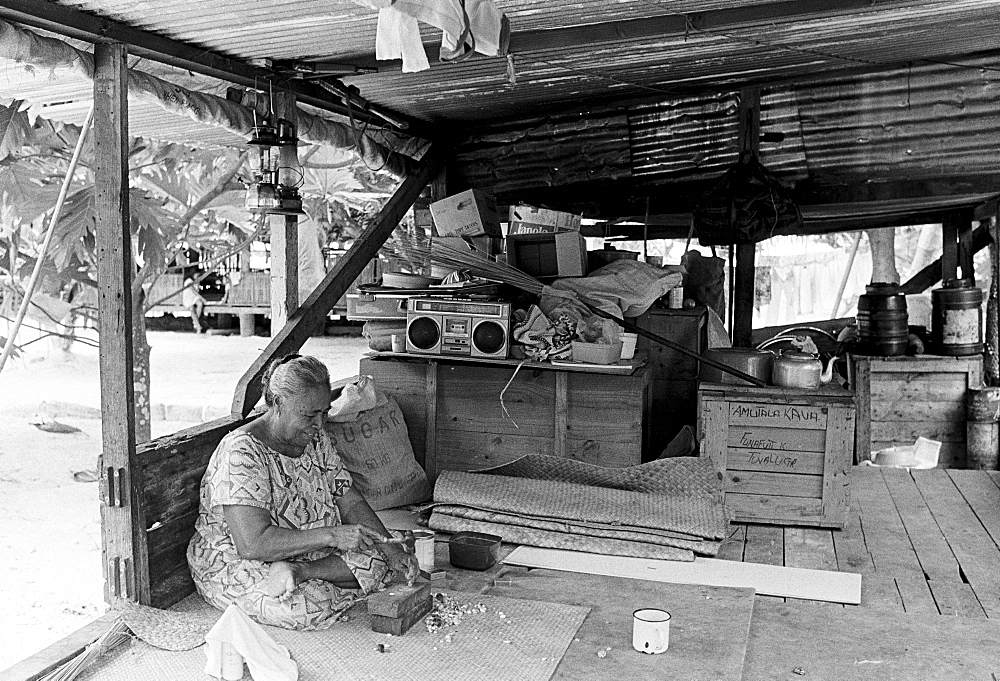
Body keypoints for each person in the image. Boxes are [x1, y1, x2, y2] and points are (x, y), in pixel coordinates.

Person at [187, 354, 419, 630]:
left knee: (382, 554)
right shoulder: (242, 453)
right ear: (277, 404)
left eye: (324, 412)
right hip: (237, 561)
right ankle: (310, 577)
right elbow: (252, 545)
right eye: (309, 415)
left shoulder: (314, 438)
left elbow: (350, 500)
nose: (319, 424)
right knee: (303, 606)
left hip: (302, 554)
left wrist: (390, 548)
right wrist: (332, 535)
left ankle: (301, 572)